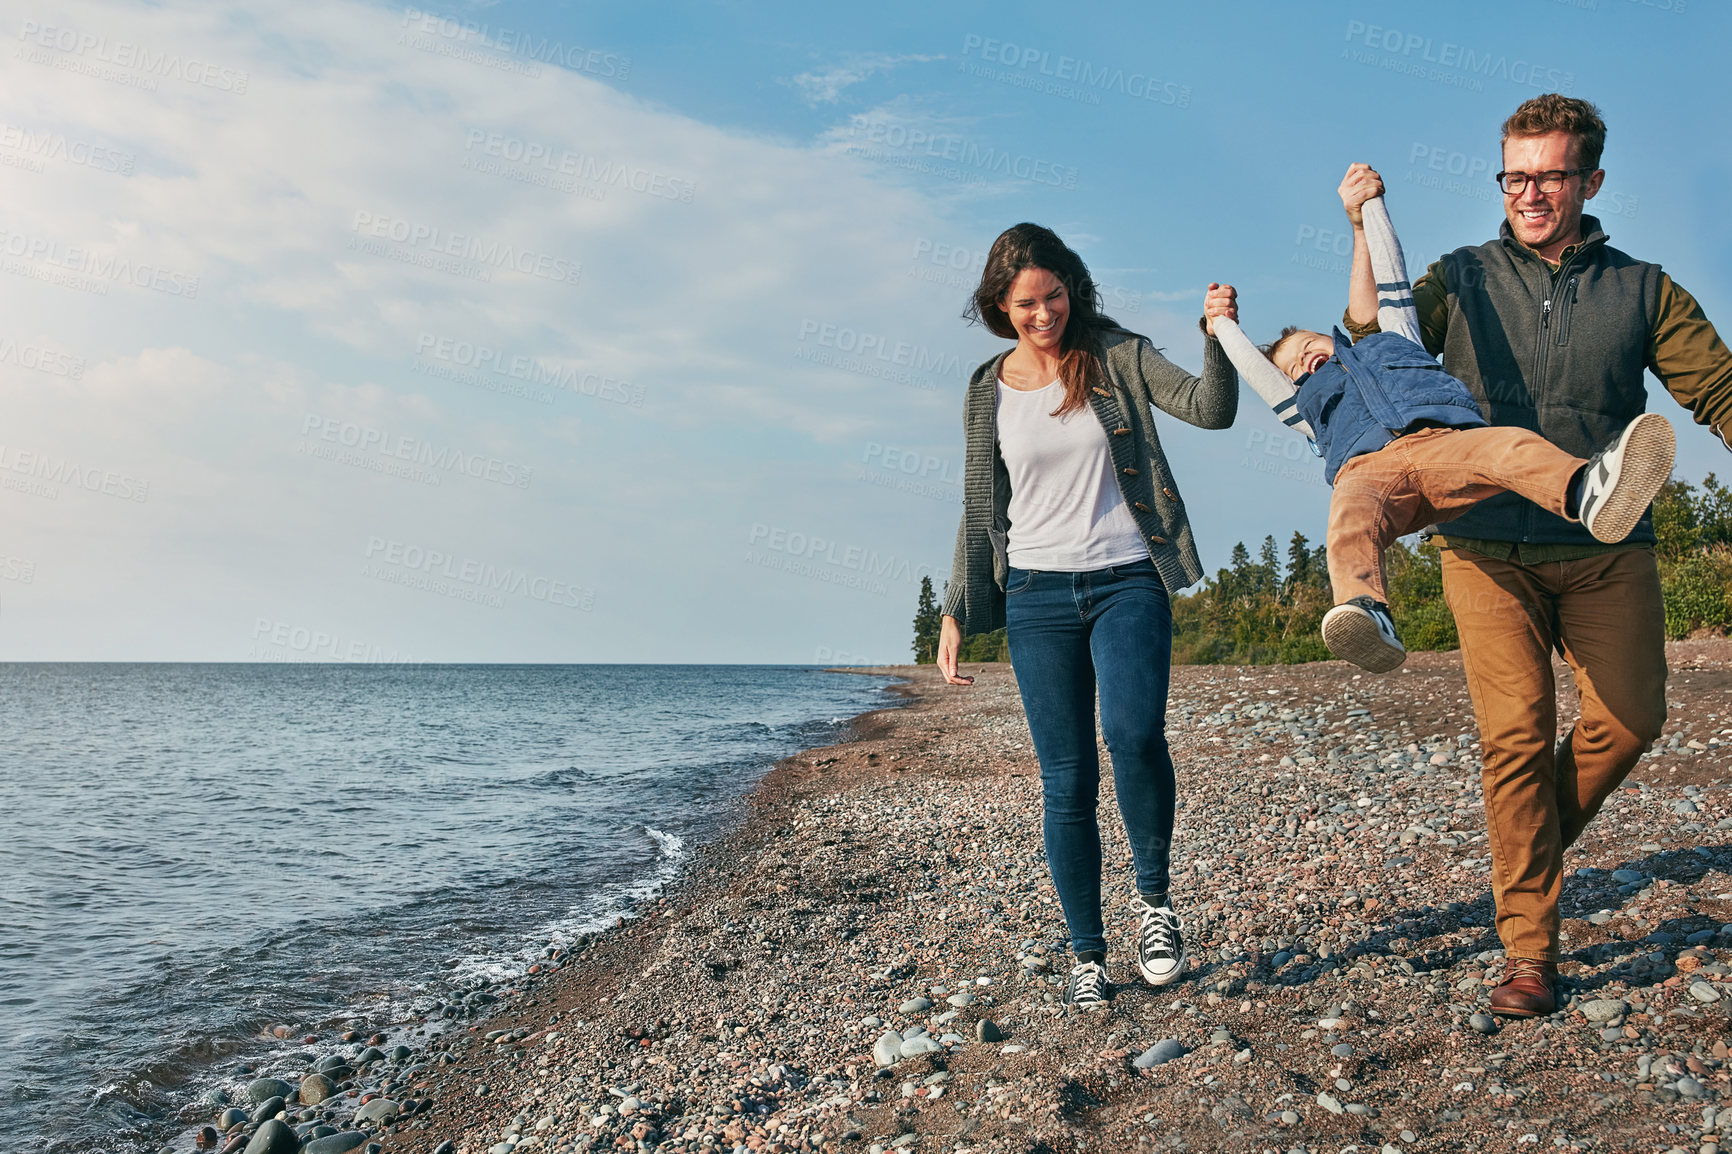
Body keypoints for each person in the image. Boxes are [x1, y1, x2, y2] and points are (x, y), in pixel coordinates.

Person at [1339, 95, 1732, 1017]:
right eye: (1515, 175)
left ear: (1591, 181)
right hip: (1483, 546)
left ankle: (1528, 850)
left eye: (1550, 175)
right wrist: (1363, 225)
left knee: (1631, 719)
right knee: (1511, 742)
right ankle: (1530, 952)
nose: (1531, 192)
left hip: (1604, 543)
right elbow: (1372, 331)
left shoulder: (1644, 288)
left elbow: (1717, 386)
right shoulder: (1462, 276)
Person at [935, 222, 1239, 1007]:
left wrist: (1217, 335)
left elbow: (1211, 409)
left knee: (1132, 734)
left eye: (1056, 296)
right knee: (1065, 777)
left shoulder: (1115, 356)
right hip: (1037, 595)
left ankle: (1156, 905)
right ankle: (1085, 956)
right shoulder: (985, 388)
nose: (1045, 315)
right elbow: (979, 508)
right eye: (1027, 303)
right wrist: (958, 610)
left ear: (1073, 287)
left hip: (1127, 579)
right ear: (1001, 306)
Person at [1211, 191, 1676, 673]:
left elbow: (1392, 274)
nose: (1303, 362)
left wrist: (1372, 207)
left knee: (1508, 444)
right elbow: (1259, 375)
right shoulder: (1306, 406)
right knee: (1348, 524)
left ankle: (1585, 490)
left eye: (1308, 346)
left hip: (1444, 445)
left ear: (1336, 338)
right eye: (1294, 369)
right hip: (1367, 472)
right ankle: (1368, 610)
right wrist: (1223, 326)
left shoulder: (1395, 337)